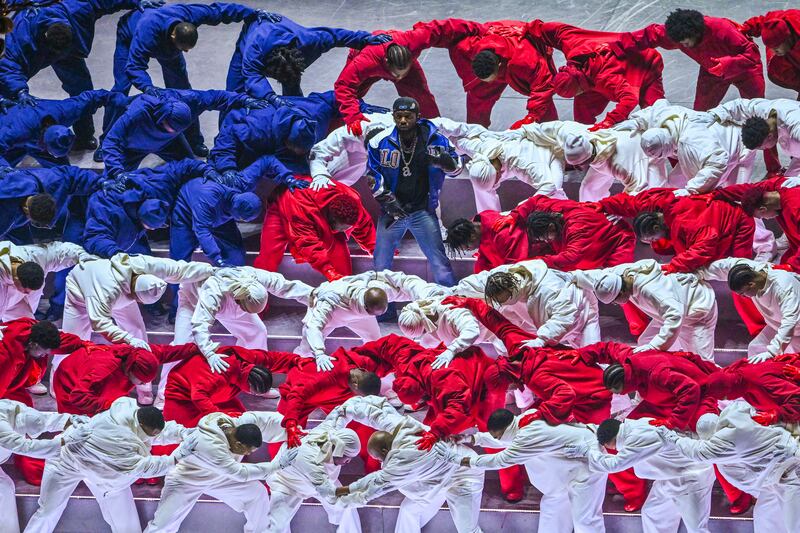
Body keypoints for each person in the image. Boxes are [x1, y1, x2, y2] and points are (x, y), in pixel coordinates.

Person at [442, 295, 648, 510]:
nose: (511, 391)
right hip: (581, 381)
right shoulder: (519, 346)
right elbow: (498, 323)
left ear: (511, 380)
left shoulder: (537, 377)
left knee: (599, 443)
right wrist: (471, 303)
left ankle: (633, 489)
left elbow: (564, 395)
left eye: (508, 388)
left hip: (591, 399)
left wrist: (538, 414)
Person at [24, 397, 196, 533]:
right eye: (151, 434)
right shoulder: (116, 439)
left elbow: (157, 432)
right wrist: (177, 457)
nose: (154, 437)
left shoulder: (133, 415)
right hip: (65, 462)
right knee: (47, 511)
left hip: (101, 469)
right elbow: (144, 467)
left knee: (126, 525)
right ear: (140, 424)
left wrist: (183, 433)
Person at [124, 2, 276, 155]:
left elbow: (217, 11)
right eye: (184, 49)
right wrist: (147, 87)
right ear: (173, 36)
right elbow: (134, 66)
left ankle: (194, 141)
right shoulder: (147, 32)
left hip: (170, 51)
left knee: (184, 95)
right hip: (128, 36)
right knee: (120, 87)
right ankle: (108, 142)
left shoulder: (187, 15)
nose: (187, 52)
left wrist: (251, 13)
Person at [61, 254, 215, 403]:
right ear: (135, 294)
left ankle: (143, 385)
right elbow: (100, 322)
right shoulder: (106, 291)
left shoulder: (144, 265)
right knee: (74, 338)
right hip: (81, 292)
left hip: (122, 292)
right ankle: (62, 387)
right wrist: (128, 339)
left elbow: (179, 269)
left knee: (136, 329)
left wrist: (210, 270)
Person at [0, 0, 148, 149]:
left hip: (70, 50)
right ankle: (8, 142)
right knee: (8, 94)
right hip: (40, 49)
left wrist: (135, 1)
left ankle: (84, 137)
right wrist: (19, 90)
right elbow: (9, 65)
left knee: (81, 88)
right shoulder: (22, 31)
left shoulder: (78, 8)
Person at [434, 408, 608, 533]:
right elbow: (503, 440)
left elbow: (500, 460)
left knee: (585, 520)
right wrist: (472, 438)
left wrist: (459, 460)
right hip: (567, 473)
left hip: (587, 469)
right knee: (552, 511)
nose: (497, 439)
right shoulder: (522, 421)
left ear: (505, 429)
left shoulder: (528, 435)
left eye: (497, 435)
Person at [328, 395, 485, 533]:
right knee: (409, 510)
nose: (379, 462)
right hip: (438, 476)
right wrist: (342, 414)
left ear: (384, 451)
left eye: (378, 459)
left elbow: (373, 487)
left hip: (464, 474)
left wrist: (343, 496)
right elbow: (372, 411)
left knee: (468, 530)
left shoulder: (402, 461)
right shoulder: (398, 424)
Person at [142, 410, 299, 533]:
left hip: (220, 477)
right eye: (248, 450)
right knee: (163, 525)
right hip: (186, 480)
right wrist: (278, 465)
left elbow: (267, 422)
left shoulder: (240, 423)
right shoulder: (210, 446)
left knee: (257, 494)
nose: (249, 454)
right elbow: (240, 473)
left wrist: (292, 428)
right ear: (237, 444)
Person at [659, 400, 800, 531]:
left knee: (795, 526)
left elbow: (697, 452)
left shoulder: (727, 442)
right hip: (779, 478)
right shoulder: (741, 414)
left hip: (792, 475)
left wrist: (671, 437)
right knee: (765, 520)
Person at [366, 97, 462, 287]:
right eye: (399, 116)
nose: (403, 121)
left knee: (439, 263)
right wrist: (386, 199)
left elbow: (457, 167)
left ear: (418, 116)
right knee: (380, 265)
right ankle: (384, 312)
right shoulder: (379, 141)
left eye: (408, 116)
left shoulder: (435, 138)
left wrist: (447, 164)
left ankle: (451, 305)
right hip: (393, 212)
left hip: (422, 210)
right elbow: (372, 173)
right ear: (393, 116)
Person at [564, 417, 715, 533]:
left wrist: (588, 452)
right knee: (652, 513)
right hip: (669, 477)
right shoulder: (633, 426)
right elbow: (602, 431)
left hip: (692, 478)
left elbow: (613, 465)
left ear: (611, 442)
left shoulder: (638, 439)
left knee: (697, 529)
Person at [334, 20, 483, 133]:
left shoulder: (413, 40)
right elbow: (343, 85)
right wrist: (352, 116)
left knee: (423, 100)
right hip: (369, 57)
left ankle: (434, 132)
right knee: (345, 100)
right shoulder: (365, 61)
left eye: (404, 72)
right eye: (397, 75)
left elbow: (442, 28)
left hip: (400, 60)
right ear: (386, 63)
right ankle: (334, 128)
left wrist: (479, 29)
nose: (400, 77)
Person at [610, 9, 765, 111]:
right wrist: (615, 48)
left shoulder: (722, 28)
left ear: (697, 33)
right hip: (712, 72)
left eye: (685, 43)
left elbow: (752, 56)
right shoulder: (677, 34)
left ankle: (773, 162)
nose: (684, 46)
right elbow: (649, 34)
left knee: (759, 113)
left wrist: (726, 64)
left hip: (746, 71)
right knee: (699, 114)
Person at [297, 269, 445, 370]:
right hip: (332, 317)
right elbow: (314, 326)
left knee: (375, 344)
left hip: (360, 317)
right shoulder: (330, 301)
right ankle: (295, 376)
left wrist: (429, 296)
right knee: (306, 350)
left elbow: (404, 284)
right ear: (366, 306)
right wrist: (319, 352)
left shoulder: (378, 288)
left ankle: (384, 387)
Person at [527, 20, 665, 128]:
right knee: (582, 116)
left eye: (576, 93)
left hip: (646, 65)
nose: (577, 96)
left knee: (656, 116)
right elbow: (557, 31)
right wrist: (529, 29)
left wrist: (609, 121)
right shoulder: (573, 45)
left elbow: (629, 99)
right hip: (593, 79)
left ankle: (677, 156)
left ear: (579, 88)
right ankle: (584, 153)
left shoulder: (607, 78)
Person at [572, 259, 718, 360]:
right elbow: (593, 277)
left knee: (703, 363)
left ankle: (720, 402)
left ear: (621, 293)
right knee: (646, 341)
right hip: (676, 307)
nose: (617, 304)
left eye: (615, 301)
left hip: (697, 313)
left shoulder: (651, 291)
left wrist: (655, 346)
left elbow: (674, 316)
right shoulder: (617, 275)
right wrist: (570, 277)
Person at [173, 266, 311, 373]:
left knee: (257, 331)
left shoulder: (254, 277)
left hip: (232, 303)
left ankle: (253, 379)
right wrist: (209, 353)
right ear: (240, 301)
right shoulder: (214, 291)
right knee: (182, 344)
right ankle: (164, 394)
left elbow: (284, 285)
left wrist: (313, 295)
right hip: (193, 299)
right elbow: (200, 324)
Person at [101, 88, 264, 178]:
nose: (172, 130)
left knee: (190, 172)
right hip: (132, 147)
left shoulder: (189, 100)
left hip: (169, 143)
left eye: (178, 129)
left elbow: (216, 97)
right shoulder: (138, 111)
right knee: (111, 184)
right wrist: (117, 171)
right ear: (161, 118)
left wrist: (244, 100)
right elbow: (111, 142)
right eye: (169, 127)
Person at [228, 15, 389, 100]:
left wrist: (364, 39)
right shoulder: (253, 52)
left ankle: (294, 121)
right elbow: (252, 77)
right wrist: (271, 97)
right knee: (234, 94)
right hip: (251, 33)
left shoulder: (310, 40)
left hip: (282, 35)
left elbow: (336, 35)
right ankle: (227, 138)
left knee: (292, 89)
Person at [209, 91, 341, 190]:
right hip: (241, 126)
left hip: (274, 138)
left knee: (301, 170)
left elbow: (339, 96)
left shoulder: (317, 111)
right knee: (230, 176)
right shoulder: (255, 129)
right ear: (286, 142)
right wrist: (227, 168)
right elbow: (227, 136)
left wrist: (361, 115)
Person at [440, 19, 558, 127]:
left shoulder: (527, 61)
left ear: (500, 66)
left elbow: (543, 88)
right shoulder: (468, 47)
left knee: (543, 105)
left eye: (491, 79)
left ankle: (552, 130)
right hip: (496, 46)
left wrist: (530, 119)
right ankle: (475, 133)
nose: (489, 82)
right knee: (478, 96)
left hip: (522, 49)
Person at [253, 176, 375, 280]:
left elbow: (365, 229)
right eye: (341, 228)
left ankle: (344, 303)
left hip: (317, 212)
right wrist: (329, 272)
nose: (344, 232)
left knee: (341, 262)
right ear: (331, 219)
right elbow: (307, 244)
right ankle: (256, 298)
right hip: (284, 203)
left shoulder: (353, 204)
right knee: (268, 258)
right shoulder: (302, 206)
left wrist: (377, 251)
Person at [433, 117, 568, 210]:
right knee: (482, 188)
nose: (498, 181)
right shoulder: (478, 149)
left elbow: (548, 186)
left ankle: (574, 220)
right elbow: (451, 132)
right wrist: (426, 126)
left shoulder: (522, 164)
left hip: (548, 154)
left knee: (554, 193)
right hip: (508, 145)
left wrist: (520, 209)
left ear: (497, 173)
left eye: (496, 179)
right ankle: (489, 221)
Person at [277, 353, 382, 472]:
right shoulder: (320, 379)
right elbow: (297, 395)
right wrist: (291, 423)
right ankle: (280, 469)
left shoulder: (365, 363)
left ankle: (374, 467)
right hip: (303, 395)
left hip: (338, 395)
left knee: (364, 426)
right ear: (356, 384)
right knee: (282, 433)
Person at [0, 400, 89, 533]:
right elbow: (24, 447)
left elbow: (43, 420)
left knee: (5, 490)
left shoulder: (12, 409)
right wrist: (64, 442)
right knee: (3, 490)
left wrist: (69, 419)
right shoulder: (3, 428)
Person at [161, 345, 300, 426]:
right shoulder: (218, 376)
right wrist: (218, 416)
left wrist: (299, 361)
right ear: (250, 388)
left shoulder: (250, 360)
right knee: (179, 433)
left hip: (216, 394)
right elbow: (198, 396)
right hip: (182, 394)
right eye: (254, 393)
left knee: (240, 420)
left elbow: (273, 359)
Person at [265, 421, 362, 533]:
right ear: (338, 449)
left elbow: (344, 410)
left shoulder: (331, 432)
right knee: (276, 525)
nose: (349, 461)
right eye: (347, 457)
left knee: (346, 505)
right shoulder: (310, 460)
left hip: (319, 480)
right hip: (287, 483)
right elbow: (328, 491)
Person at [495, 194, 636, 271]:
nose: (545, 241)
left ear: (550, 227)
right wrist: (515, 215)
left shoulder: (577, 229)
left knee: (619, 281)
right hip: (590, 234)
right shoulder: (550, 208)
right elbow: (535, 200)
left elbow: (572, 256)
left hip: (618, 242)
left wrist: (533, 263)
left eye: (544, 238)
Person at [52, 342, 198, 416]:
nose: (144, 384)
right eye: (141, 380)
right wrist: (113, 406)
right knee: (79, 426)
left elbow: (168, 352)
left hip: (99, 383)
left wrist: (199, 348)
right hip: (69, 382)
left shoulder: (141, 356)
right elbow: (78, 397)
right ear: (130, 371)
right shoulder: (103, 368)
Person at [698, 258, 800, 361]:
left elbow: (790, 322)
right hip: (777, 325)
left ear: (751, 284)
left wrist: (772, 352)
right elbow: (726, 265)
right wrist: (698, 272)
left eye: (743, 294)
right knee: (757, 348)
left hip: (796, 329)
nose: (743, 297)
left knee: (791, 362)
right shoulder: (751, 270)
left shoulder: (784, 286)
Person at [481, 260, 601, 347]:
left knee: (593, 356)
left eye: (503, 299)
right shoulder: (510, 275)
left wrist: (542, 339)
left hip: (583, 315)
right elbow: (479, 281)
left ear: (512, 292)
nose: (502, 303)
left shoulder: (549, 289)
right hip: (563, 323)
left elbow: (564, 316)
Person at [0, 89, 118, 168]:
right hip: (7, 132)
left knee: (65, 173)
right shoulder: (15, 131)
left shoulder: (65, 111)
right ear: (44, 145)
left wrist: (123, 101)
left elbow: (94, 97)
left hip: (30, 139)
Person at [170, 178, 263, 267]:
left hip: (218, 214)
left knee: (236, 254)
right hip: (186, 213)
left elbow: (264, 162)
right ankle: (173, 283)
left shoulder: (236, 195)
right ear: (237, 211)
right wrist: (217, 258)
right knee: (179, 264)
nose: (241, 221)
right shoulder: (208, 200)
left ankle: (229, 279)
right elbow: (202, 231)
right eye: (242, 218)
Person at [711, 176, 800, 269]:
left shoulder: (795, 208)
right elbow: (746, 190)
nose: (767, 219)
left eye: (761, 216)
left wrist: (791, 266)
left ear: (763, 209)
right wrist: (716, 194)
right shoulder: (775, 187)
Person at [0, 241, 95, 322]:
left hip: (16, 303)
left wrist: (86, 258)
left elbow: (62, 251)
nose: (28, 294)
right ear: (17, 279)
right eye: (26, 291)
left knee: (26, 334)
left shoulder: (35, 257)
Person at [708, 98, 800, 176]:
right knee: (786, 185)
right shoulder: (763, 110)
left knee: (791, 188)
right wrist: (710, 116)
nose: (764, 149)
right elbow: (738, 105)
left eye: (763, 147)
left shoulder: (795, 128)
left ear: (769, 136)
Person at [398, 297, 505, 363]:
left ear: (425, 322)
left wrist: (451, 350)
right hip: (465, 336)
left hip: (495, 327)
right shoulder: (421, 306)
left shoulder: (453, 313)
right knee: (425, 342)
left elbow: (471, 330)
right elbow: (406, 282)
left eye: (424, 331)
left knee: (513, 360)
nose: (425, 334)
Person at [307, 111, 395, 188]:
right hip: (353, 152)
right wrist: (320, 175)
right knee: (330, 182)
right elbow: (319, 150)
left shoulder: (397, 132)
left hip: (384, 151)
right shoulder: (351, 133)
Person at [703, 356, 800, 423]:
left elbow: (797, 397)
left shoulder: (758, 382)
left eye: (724, 397)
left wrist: (776, 415)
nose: (729, 399)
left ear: (728, 390)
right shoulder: (740, 378)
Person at [83, 188, 169, 257]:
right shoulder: (109, 210)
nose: (153, 229)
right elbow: (95, 238)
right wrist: (116, 254)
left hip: (125, 244)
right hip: (104, 252)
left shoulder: (138, 211)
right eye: (151, 226)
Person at [444, 211, 530, 273]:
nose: (470, 250)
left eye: (467, 247)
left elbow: (516, 270)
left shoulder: (503, 235)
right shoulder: (479, 221)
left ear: (472, 236)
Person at [742, 10, 800, 98]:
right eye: (770, 47)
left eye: (776, 47)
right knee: (777, 72)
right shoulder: (774, 21)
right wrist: (745, 28)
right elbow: (761, 22)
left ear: (787, 37)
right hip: (788, 58)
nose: (773, 51)